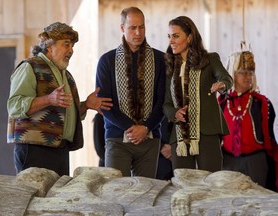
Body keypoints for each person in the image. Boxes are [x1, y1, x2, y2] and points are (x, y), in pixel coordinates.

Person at [7, 22, 113, 176]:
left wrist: (85, 105)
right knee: (36, 198)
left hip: (60, 149)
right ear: (50, 46)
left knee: (56, 199)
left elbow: (66, 112)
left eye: (72, 46)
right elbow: (14, 106)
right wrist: (48, 99)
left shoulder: (66, 76)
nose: (71, 50)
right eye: (66, 45)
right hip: (34, 149)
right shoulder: (30, 67)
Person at [95, 7, 166, 178]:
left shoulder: (160, 60)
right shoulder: (107, 60)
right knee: (116, 192)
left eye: (141, 27)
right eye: (132, 28)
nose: (138, 32)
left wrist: (146, 127)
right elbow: (103, 103)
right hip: (117, 139)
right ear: (122, 28)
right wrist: (130, 127)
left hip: (150, 139)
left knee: (145, 195)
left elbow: (163, 101)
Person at [163, 16, 233, 173]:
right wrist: (175, 113)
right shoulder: (169, 67)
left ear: (189, 38)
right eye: (169, 36)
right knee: (183, 188)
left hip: (207, 132)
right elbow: (166, 104)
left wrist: (222, 85)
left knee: (211, 184)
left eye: (176, 36)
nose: (171, 41)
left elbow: (226, 77)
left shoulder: (209, 59)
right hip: (179, 137)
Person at [219, 51, 278, 191]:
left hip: (255, 161)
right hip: (228, 162)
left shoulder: (262, 103)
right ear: (232, 75)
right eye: (242, 72)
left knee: (258, 202)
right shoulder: (222, 102)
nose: (248, 76)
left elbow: (269, 137)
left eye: (251, 72)